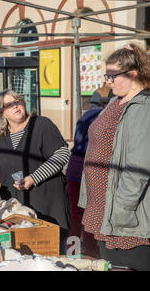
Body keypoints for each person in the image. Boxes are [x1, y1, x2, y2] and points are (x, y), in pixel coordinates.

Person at [78, 43, 150, 271]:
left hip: (125, 216)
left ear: (133, 74)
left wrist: (122, 210)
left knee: (128, 266)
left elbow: (139, 166)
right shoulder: (114, 102)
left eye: (112, 76)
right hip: (103, 210)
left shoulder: (144, 108)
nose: (107, 82)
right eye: (106, 75)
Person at [0, 89, 71, 253]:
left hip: (47, 207)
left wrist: (34, 178)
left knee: (51, 259)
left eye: (18, 101)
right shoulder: (0, 136)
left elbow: (62, 153)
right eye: (9, 105)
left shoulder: (42, 124)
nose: (16, 106)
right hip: (18, 213)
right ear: (1, 112)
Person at [65, 94, 112, 257]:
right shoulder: (109, 117)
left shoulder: (88, 114)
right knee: (91, 220)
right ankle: (90, 259)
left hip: (73, 169)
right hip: (91, 170)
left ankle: (71, 256)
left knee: (77, 218)